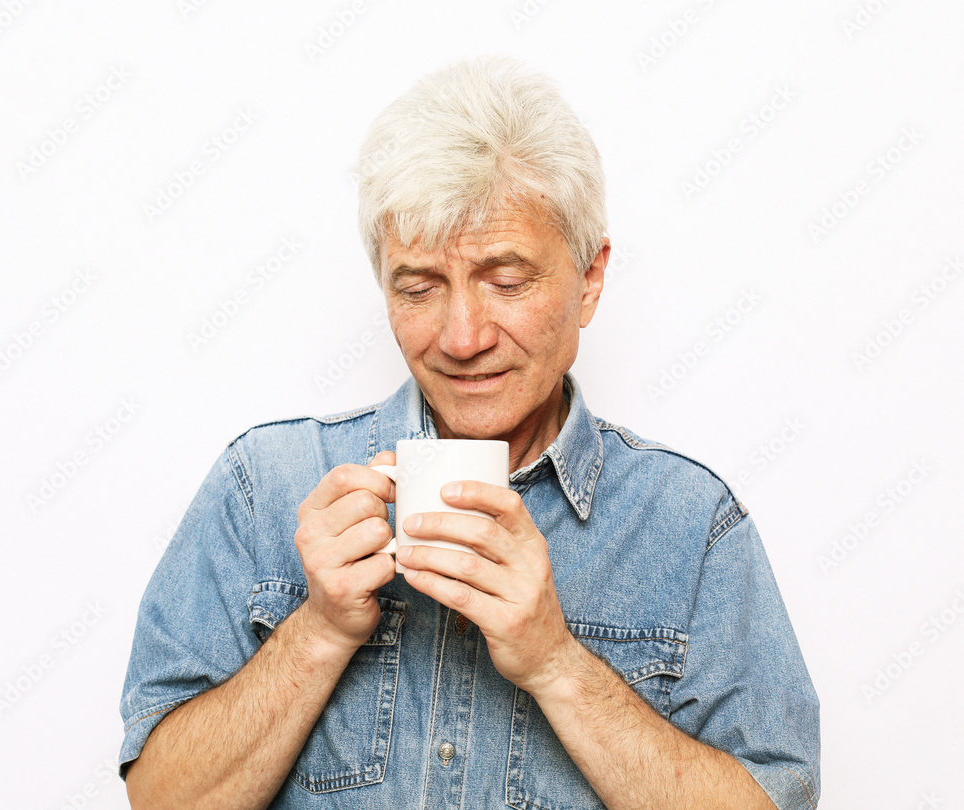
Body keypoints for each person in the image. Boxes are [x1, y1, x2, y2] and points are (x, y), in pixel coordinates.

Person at [119, 56, 820, 810]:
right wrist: (319, 632)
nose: (460, 336)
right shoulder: (264, 485)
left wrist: (555, 663)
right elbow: (162, 800)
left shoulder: (690, 524)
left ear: (589, 280)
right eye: (418, 286)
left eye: (507, 281)